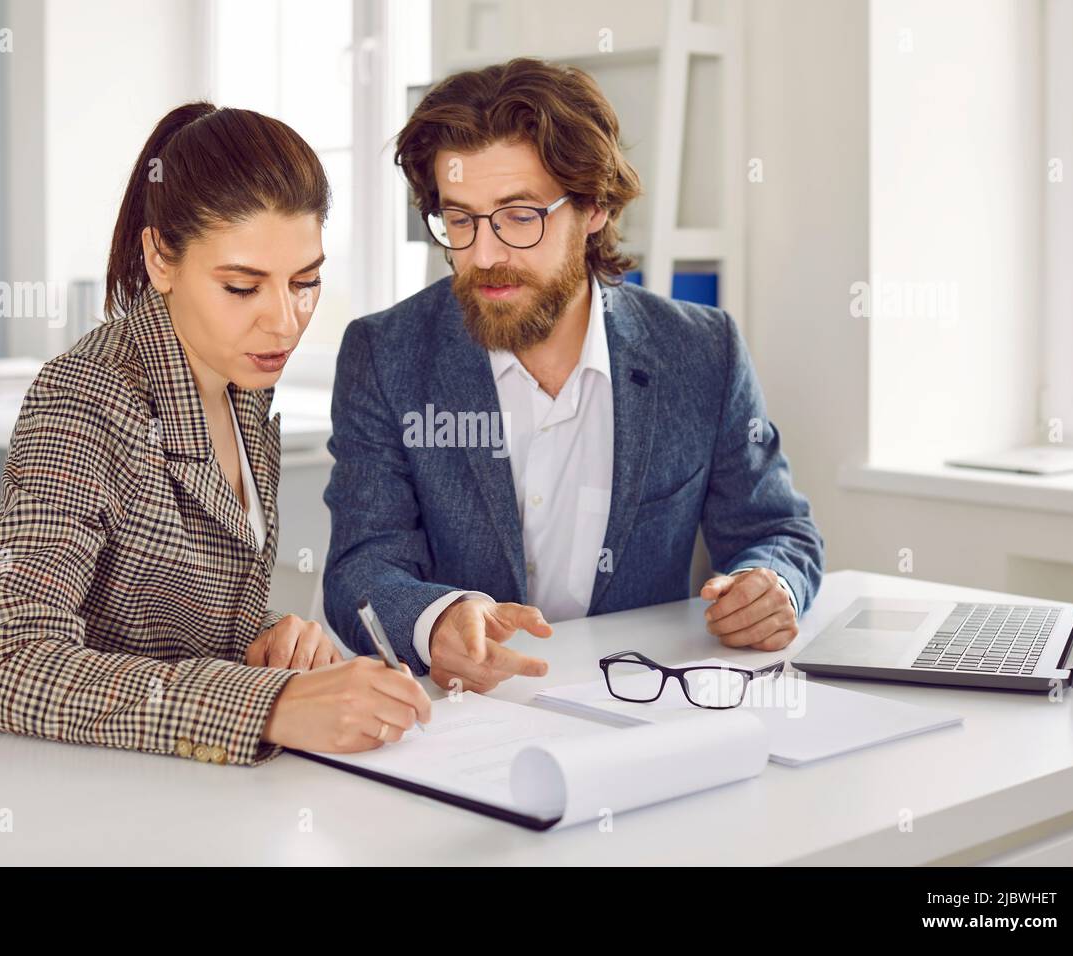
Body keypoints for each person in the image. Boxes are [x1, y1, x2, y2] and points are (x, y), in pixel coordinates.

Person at [0, 102, 431, 763]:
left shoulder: (244, 389)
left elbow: (152, 615)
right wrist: (272, 704)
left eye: (305, 282)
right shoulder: (86, 396)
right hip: (16, 779)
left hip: (151, 783)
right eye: (241, 286)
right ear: (161, 258)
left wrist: (264, 640)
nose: (284, 322)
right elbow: (9, 666)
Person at [323, 59, 824, 695]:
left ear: (593, 208)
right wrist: (434, 618)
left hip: (646, 712)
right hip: (461, 723)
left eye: (519, 215)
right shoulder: (384, 354)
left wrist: (771, 584)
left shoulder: (701, 351)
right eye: (460, 219)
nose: (483, 255)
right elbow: (360, 566)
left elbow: (775, 529)